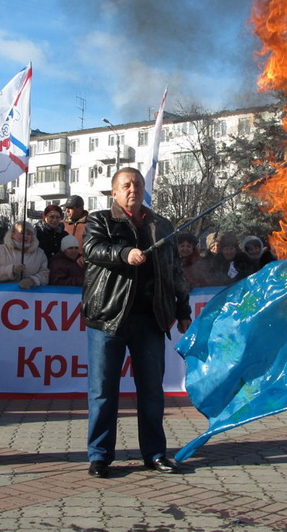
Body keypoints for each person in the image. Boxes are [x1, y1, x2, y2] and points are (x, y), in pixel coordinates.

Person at [82, 167, 191, 479]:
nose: (133, 189)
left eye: (138, 184)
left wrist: (182, 309)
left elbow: (175, 271)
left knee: (152, 391)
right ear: (114, 192)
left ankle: (155, 453)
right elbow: (92, 249)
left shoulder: (161, 225)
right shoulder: (99, 219)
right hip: (108, 318)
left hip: (151, 320)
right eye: (126, 185)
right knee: (103, 390)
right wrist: (124, 253)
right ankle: (100, 456)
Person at [0, 221, 49, 288]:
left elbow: (45, 274)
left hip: (31, 295)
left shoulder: (40, 253)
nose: (25, 236)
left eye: (29, 234)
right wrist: (12, 270)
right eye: (22, 233)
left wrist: (32, 280)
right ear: (13, 234)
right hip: (3, 294)